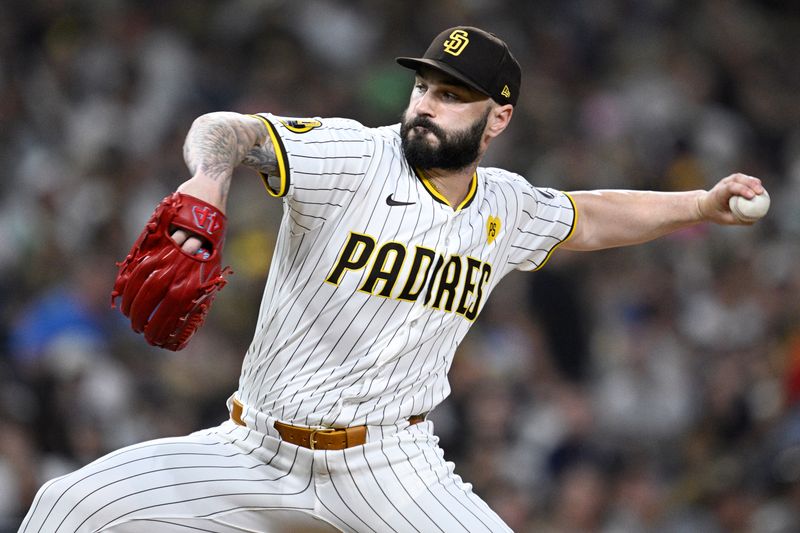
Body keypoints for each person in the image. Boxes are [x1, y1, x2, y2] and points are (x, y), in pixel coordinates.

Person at [20, 26, 766, 532]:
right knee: (65, 505)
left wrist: (700, 204)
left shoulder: (503, 206)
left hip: (388, 465)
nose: (427, 104)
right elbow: (230, 128)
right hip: (254, 449)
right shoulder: (353, 155)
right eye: (424, 87)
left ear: (496, 119)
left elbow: (593, 215)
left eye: (451, 94)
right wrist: (209, 182)